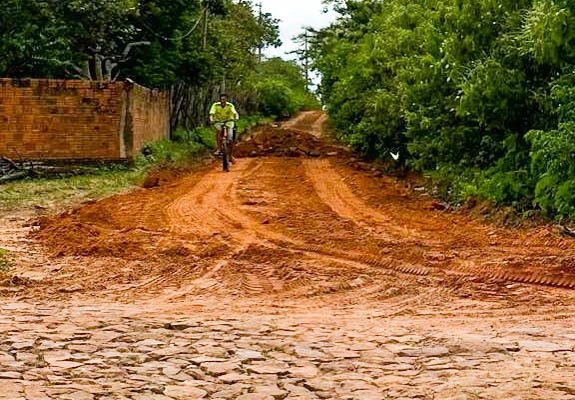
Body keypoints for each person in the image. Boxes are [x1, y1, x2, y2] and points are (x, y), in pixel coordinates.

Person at [209, 93, 239, 160]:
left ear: (226, 100)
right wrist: (211, 120)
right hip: (218, 122)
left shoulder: (230, 106)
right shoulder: (215, 105)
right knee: (219, 131)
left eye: (224, 99)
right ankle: (219, 149)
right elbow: (211, 114)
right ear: (219, 100)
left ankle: (230, 155)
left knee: (230, 138)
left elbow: (235, 113)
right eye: (221, 99)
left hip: (229, 121)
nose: (223, 101)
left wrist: (236, 117)